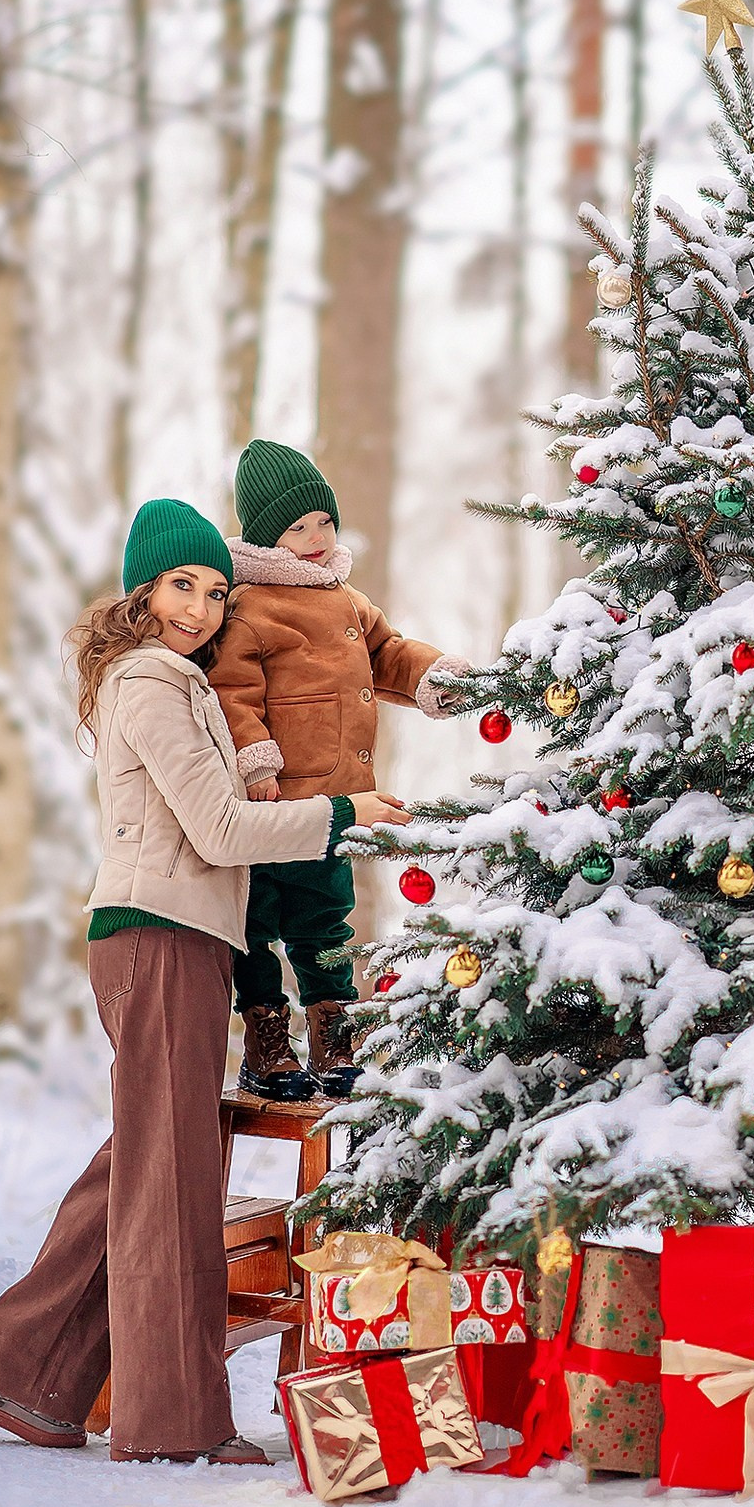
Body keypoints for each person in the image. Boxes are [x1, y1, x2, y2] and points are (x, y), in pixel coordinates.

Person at [0, 499, 392, 1464]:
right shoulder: (149, 680)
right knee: (175, 1181)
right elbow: (220, 829)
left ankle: (24, 1377)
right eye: (182, 584)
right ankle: (171, 1422)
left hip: (170, 937)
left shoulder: (168, 677)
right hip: (161, 937)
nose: (198, 607)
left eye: (215, 591)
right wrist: (343, 813)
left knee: (142, 1162)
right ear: (142, 585)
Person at [210, 439, 468, 1102]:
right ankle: (265, 1038)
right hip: (275, 809)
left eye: (324, 522)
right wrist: (255, 757)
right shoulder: (250, 606)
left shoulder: (347, 601)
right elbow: (232, 689)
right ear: (269, 537)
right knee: (257, 922)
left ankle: (332, 1033)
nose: (318, 537)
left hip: (335, 808)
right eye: (298, 528)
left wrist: (434, 675)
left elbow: (391, 655)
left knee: (326, 921)